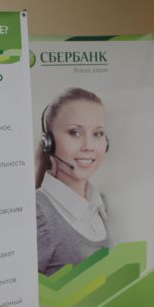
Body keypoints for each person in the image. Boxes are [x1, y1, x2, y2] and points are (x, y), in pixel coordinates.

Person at [35, 87, 112, 276]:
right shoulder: (38, 214)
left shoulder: (100, 203)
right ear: (48, 142)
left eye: (98, 134)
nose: (88, 146)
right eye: (75, 133)